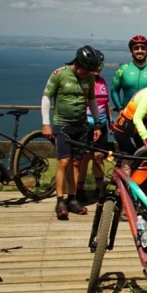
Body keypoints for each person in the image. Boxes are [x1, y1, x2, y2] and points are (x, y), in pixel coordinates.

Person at [41, 45, 102, 220]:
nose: (86, 73)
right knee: (64, 162)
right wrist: (46, 124)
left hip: (81, 125)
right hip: (63, 125)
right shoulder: (59, 74)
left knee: (77, 162)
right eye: (84, 69)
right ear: (77, 62)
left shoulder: (89, 78)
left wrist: (97, 124)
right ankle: (60, 200)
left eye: (89, 70)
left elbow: (92, 100)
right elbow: (46, 97)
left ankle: (72, 199)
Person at [76, 49, 111, 203]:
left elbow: (106, 103)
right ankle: (79, 189)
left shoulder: (102, 81)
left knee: (98, 157)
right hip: (85, 125)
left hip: (101, 125)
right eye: (95, 64)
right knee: (84, 158)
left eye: (100, 64)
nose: (98, 67)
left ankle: (100, 188)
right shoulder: (83, 80)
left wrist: (110, 123)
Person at [111, 35, 147, 119]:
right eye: (136, 48)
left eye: (143, 48)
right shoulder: (122, 69)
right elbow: (114, 91)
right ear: (131, 50)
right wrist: (119, 108)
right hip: (127, 116)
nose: (140, 51)